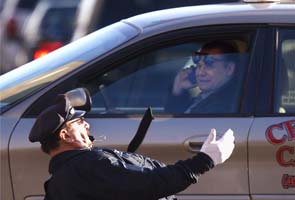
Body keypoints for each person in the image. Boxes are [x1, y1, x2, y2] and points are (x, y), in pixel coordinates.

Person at [29, 92, 235, 200]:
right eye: (79, 122)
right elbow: (149, 184)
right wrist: (205, 160)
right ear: (65, 135)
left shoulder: (63, 178)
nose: (87, 124)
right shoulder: (88, 165)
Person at [165, 40, 240, 114]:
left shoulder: (223, 107)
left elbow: (175, 124)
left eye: (209, 64)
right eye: (199, 65)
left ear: (229, 69)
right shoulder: (206, 98)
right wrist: (178, 89)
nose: (200, 73)